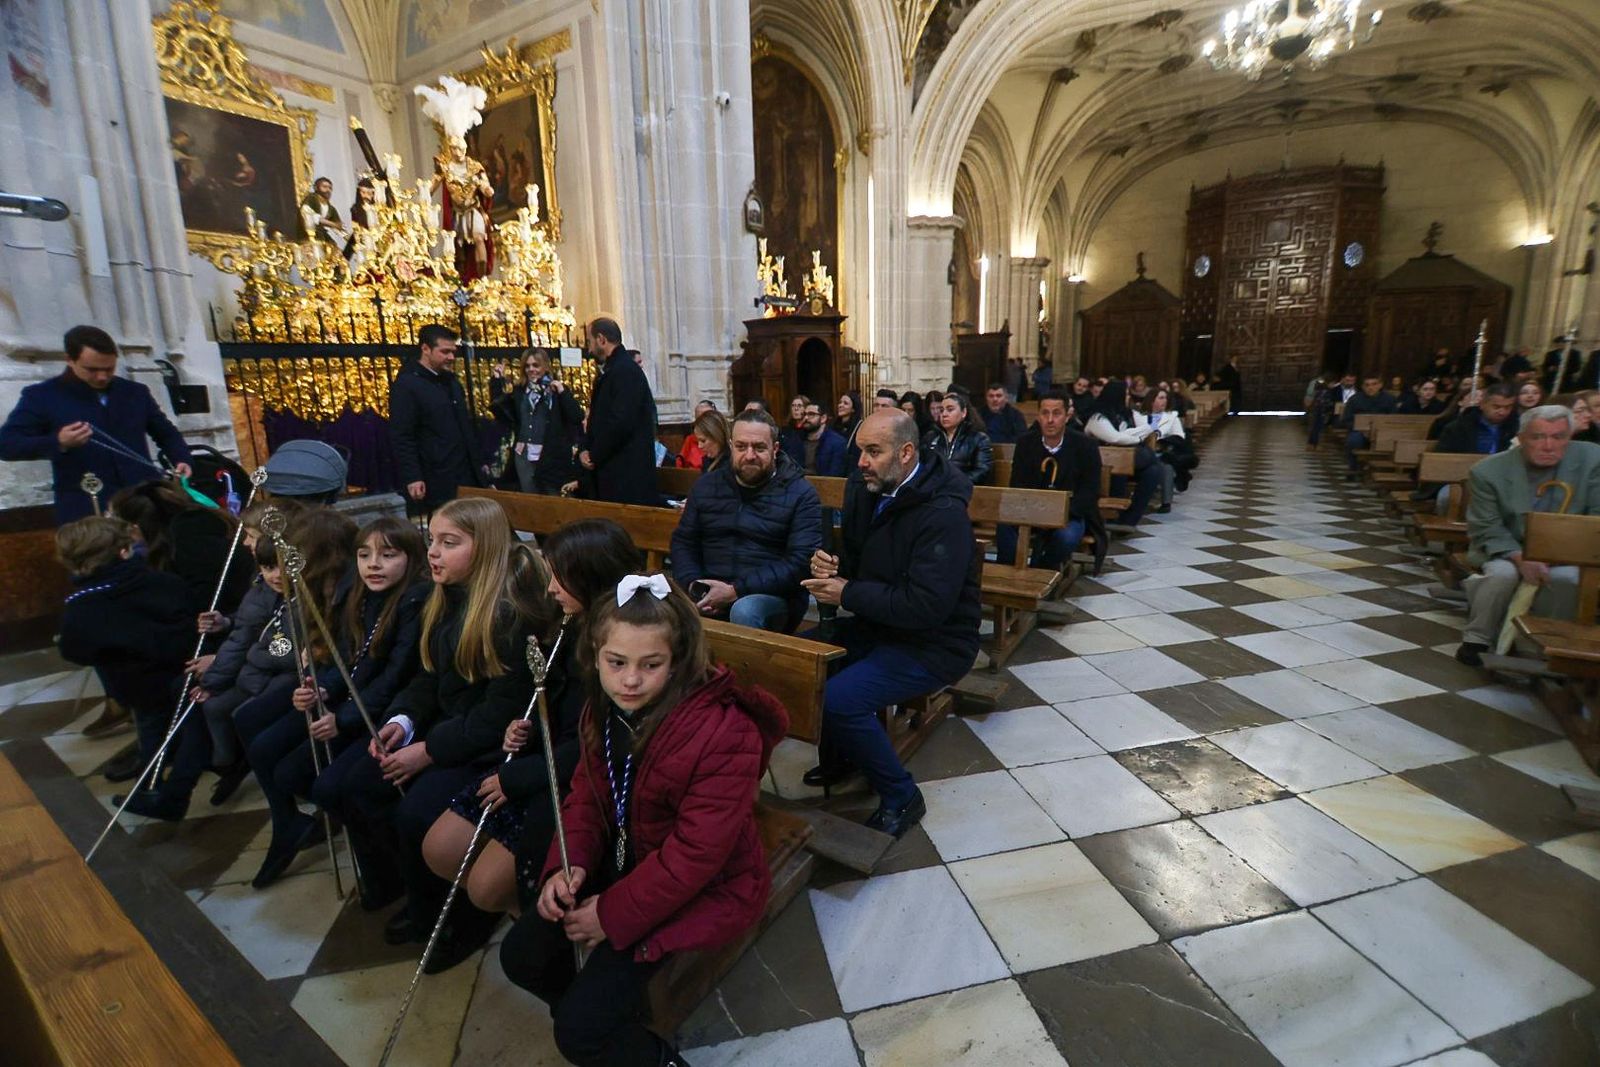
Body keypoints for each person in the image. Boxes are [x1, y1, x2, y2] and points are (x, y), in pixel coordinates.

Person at [500, 576, 785, 1067]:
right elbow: (587, 794)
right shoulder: (604, 708)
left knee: (578, 1035)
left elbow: (696, 856)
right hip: (629, 858)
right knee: (521, 956)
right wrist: (568, 865)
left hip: (709, 885)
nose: (629, 680)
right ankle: (597, 1013)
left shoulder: (725, 731)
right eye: (616, 663)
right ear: (595, 656)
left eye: (650, 665)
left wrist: (609, 914)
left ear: (677, 660)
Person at [321, 497, 559, 971]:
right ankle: (411, 887)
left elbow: (499, 716)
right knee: (344, 786)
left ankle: (458, 916)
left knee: (414, 812)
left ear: (486, 549)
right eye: (432, 541)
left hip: (489, 745)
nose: (432, 553)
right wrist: (401, 721)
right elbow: (427, 677)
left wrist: (427, 751)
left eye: (449, 544)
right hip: (447, 727)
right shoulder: (443, 595)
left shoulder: (511, 614)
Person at [425, 519, 640, 922]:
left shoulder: (623, 645)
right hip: (543, 755)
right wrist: (519, 730)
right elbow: (550, 704)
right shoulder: (569, 623)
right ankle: (518, 912)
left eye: (558, 577)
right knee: (439, 847)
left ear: (590, 577)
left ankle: (532, 917)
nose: (549, 588)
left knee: (486, 887)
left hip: (577, 777)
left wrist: (520, 776)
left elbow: (608, 739)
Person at [801, 411, 981, 835]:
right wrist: (833, 563)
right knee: (807, 661)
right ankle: (844, 758)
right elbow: (869, 562)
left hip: (936, 643)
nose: (860, 461)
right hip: (881, 624)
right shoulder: (869, 491)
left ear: (905, 453)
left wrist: (846, 592)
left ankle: (902, 795)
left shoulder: (943, 512)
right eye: (859, 450)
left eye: (873, 452)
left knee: (842, 700)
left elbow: (926, 606)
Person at [231, 508, 364, 886]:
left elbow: (292, 649)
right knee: (245, 717)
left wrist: (306, 662)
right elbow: (265, 637)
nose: (279, 571)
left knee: (272, 746)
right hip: (302, 675)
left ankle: (310, 817)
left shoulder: (347, 592)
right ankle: (287, 820)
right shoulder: (277, 589)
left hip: (322, 683)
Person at [55, 517, 193, 803]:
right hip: (181, 669)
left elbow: (74, 650)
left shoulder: (83, 603)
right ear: (124, 551)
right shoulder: (160, 581)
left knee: (153, 733)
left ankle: (151, 785)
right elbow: (187, 616)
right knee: (175, 725)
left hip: (134, 683)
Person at [0, 325, 193, 523]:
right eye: (92, 370)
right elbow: (7, 445)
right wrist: (59, 441)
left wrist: (181, 458)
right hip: (86, 505)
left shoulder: (135, 392)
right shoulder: (42, 396)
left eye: (109, 369)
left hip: (142, 501)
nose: (102, 377)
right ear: (70, 360)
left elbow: (166, 433)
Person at [1456, 405, 1600, 666]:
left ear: (1570, 437)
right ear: (1521, 439)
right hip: (1507, 545)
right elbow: (1487, 526)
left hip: (1572, 550)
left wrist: (1559, 554)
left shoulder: (1593, 460)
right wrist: (1521, 557)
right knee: (1501, 575)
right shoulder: (1488, 471)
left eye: (1558, 437)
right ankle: (1477, 637)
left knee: (1566, 578)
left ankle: (1542, 644)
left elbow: (1596, 517)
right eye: (1538, 437)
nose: (1548, 445)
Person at [671, 410, 822, 632]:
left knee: (745, 610)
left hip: (770, 596)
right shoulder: (706, 486)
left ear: (775, 449)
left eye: (759, 447)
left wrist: (735, 590)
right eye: (741, 447)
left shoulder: (800, 493)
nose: (749, 455)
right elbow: (684, 542)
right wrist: (694, 585)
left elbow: (799, 562)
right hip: (708, 587)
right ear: (731, 447)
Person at [390, 324, 489, 516]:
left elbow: (466, 425)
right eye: (444, 352)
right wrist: (413, 476)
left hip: (465, 472)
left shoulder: (451, 382)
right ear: (425, 349)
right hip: (437, 474)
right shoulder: (407, 385)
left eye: (453, 352)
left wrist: (478, 460)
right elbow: (402, 435)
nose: (451, 357)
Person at [1001, 391, 1100, 568]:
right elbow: (1017, 483)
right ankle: (1010, 574)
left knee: (1066, 537)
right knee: (1005, 528)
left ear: (1067, 416)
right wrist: (1037, 513)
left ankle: (1044, 571)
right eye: (1045, 413)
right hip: (1030, 511)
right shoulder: (1025, 443)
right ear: (1038, 416)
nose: (1050, 420)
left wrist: (1058, 515)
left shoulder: (1085, 446)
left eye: (1056, 413)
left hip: (1069, 514)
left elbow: (1089, 490)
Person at [580, 318, 659, 506]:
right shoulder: (614, 369)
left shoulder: (625, 371)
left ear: (601, 339)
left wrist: (594, 454)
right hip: (613, 468)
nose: (589, 349)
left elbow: (620, 422)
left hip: (626, 473)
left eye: (590, 342)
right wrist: (585, 448)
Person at [490, 348, 584, 495]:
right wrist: (496, 381)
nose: (531, 369)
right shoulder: (520, 391)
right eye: (527, 366)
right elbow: (500, 411)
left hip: (551, 457)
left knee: (553, 500)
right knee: (531, 500)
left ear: (545, 366)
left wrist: (561, 391)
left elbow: (576, 416)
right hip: (524, 455)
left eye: (535, 365)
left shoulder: (555, 390)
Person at [1082, 380, 1162, 527]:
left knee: (1153, 472)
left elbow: (1149, 427)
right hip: (1102, 466)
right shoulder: (1097, 417)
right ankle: (1114, 519)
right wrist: (1137, 437)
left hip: (1124, 461)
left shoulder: (1126, 413)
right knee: (1142, 459)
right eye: (1125, 394)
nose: (1128, 398)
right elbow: (1115, 438)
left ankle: (1129, 521)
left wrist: (1134, 435)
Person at [923, 390, 993, 485]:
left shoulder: (978, 439)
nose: (944, 414)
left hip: (965, 490)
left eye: (950, 409)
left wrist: (954, 483)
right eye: (941, 410)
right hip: (934, 491)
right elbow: (922, 467)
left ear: (963, 412)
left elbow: (982, 471)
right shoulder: (930, 437)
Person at [1143, 387, 1194, 512]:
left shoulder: (1171, 417)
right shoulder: (1141, 415)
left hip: (1163, 451)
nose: (1164, 401)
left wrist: (1163, 442)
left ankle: (1166, 502)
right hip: (1144, 450)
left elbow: (1179, 437)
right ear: (1151, 400)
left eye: (1165, 398)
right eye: (1160, 398)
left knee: (1166, 466)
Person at [1339, 374, 1400, 475]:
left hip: (1383, 432)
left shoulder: (1390, 399)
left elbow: (1394, 418)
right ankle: (1353, 468)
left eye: (1374, 384)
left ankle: (1384, 471)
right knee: (1353, 440)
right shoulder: (1354, 399)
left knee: (1393, 441)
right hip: (1360, 431)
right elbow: (1347, 419)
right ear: (1363, 387)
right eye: (1367, 385)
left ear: (1380, 385)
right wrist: (1361, 429)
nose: (1370, 387)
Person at [1437, 384, 1517, 455]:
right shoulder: (1458, 428)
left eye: (1507, 407)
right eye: (1496, 407)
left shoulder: (1516, 427)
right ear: (1482, 404)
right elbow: (1443, 458)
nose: (1502, 412)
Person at [781, 399, 848, 476]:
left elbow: (835, 476)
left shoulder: (837, 443)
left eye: (811, 414)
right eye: (804, 414)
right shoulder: (797, 439)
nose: (806, 418)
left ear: (823, 418)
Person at [299, 176, 343, 245]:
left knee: (334, 246)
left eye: (330, 188)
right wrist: (332, 224)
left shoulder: (331, 208)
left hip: (321, 233)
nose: (328, 190)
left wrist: (352, 242)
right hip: (308, 233)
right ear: (316, 188)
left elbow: (339, 228)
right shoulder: (311, 199)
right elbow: (309, 215)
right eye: (324, 187)